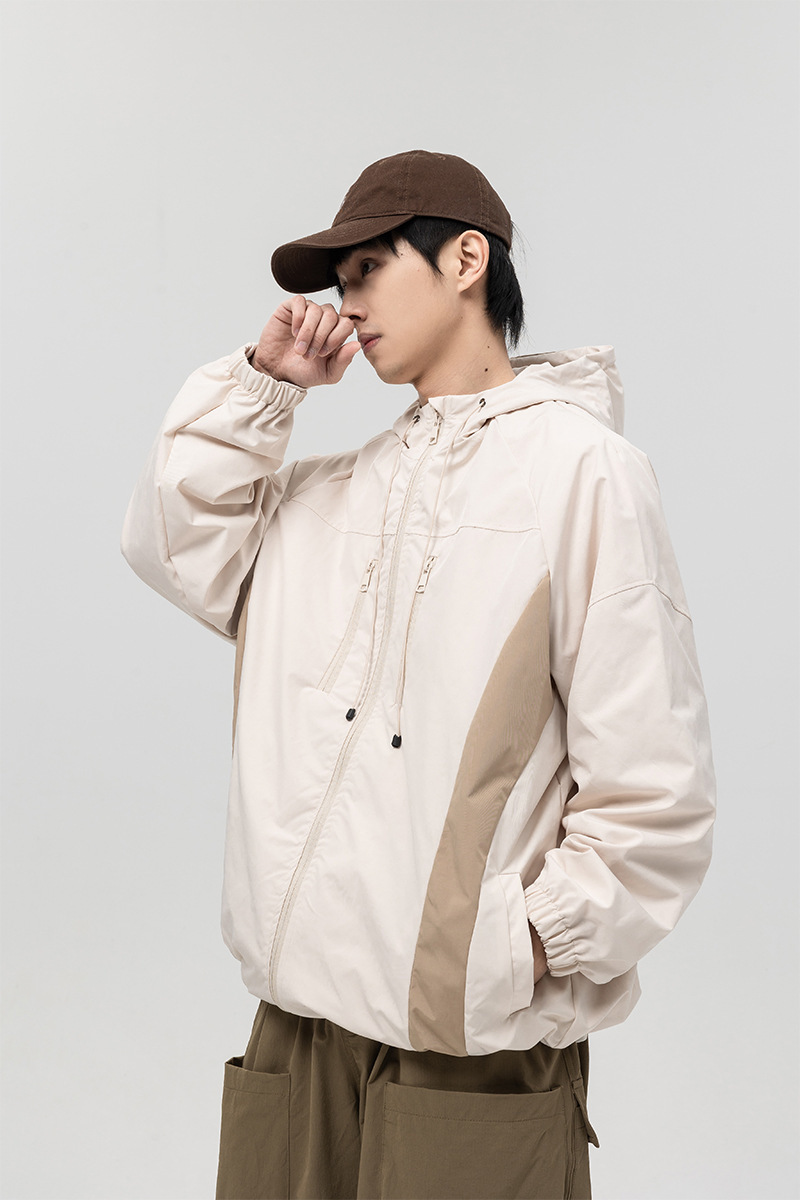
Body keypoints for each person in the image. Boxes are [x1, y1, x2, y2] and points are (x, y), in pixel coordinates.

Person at [121, 149, 716, 1200]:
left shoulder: (585, 477)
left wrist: (512, 948)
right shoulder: (330, 497)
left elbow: (652, 786)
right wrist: (265, 388)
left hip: (466, 1051)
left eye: (367, 269)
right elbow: (176, 541)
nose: (345, 304)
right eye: (338, 281)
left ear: (466, 260)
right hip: (295, 1035)